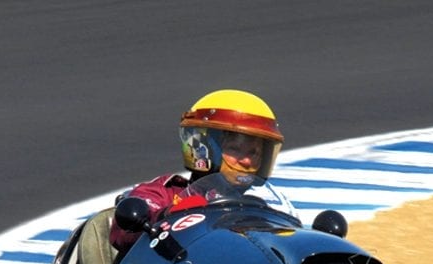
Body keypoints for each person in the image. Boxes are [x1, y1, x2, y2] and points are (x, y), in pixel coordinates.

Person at [108, 89, 294, 253]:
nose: (246, 160)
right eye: (235, 149)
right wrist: (166, 216)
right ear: (202, 148)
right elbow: (121, 234)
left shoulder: (263, 210)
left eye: (254, 152)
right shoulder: (163, 192)